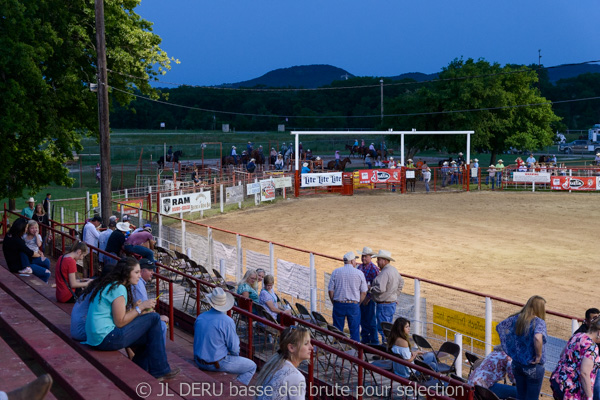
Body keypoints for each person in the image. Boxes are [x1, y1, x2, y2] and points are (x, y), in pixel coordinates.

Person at [83, 257, 180, 380]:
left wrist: (135, 309)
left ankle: (140, 369)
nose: (139, 276)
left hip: (97, 338)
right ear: (126, 272)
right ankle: (160, 370)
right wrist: (140, 308)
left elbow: (117, 317)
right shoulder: (119, 288)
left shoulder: (112, 285)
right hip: (106, 338)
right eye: (136, 272)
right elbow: (120, 322)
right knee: (155, 318)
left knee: (150, 336)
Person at [193, 287, 256, 385]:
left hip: (199, 360)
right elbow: (234, 349)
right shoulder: (227, 321)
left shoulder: (200, 317)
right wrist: (234, 357)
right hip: (216, 363)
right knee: (252, 366)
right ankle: (237, 391)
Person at [497, 295, 547, 400]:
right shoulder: (539, 322)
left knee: (521, 396)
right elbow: (538, 337)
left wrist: (511, 349)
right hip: (533, 366)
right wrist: (538, 356)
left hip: (517, 364)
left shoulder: (517, 319)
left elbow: (501, 327)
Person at [254, 325, 312, 400]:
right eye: (306, 344)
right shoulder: (296, 377)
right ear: (291, 348)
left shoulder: (274, 364)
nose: (311, 347)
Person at [551, 317, 600, 400]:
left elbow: (562, 354)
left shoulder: (577, 336)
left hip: (559, 383)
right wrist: (589, 396)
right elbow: (584, 373)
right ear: (599, 332)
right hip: (572, 391)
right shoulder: (592, 347)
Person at [328, 251, 368, 341]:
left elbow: (330, 290)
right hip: (353, 304)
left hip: (339, 303)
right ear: (352, 261)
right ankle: (355, 353)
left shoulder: (336, 272)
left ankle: (337, 351)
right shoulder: (359, 273)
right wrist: (358, 303)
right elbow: (364, 292)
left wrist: (334, 302)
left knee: (337, 331)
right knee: (354, 331)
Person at [370, 249, 404, 344]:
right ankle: (388, 347)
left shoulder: (385, 272)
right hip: (390, 303)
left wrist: (371, 289)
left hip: (383, 304)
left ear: (384, 261)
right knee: (388, 328)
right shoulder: (393, 270)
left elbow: (381, 289)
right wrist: (395, 295)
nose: (377, 261)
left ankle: (386, 349)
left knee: (383, 329)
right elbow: (401, 282)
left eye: (379, 259)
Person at [131, 258, 169, 344]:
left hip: (133, 316)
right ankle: (158, 353)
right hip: (133, 320)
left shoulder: (140, 283)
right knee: (162, 324)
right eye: (150, 270)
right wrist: (158, 317)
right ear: (141, 271)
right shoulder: (138, 284)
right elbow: (143, 310)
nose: (153, 272)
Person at [2, 218, 50, 282]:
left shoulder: (9, 235)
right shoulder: (18, 240)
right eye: (26, 227)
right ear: (21, 228)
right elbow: (30, 253)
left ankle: (38, 275)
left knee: (46, 262)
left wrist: (38, 251)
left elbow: (28, 250)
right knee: (47, 273)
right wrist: (39, 255)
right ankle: (40, 286)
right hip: (20, 266)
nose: (27, 229)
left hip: (24, 259)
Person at [356, 247, 380, 345]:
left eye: (365, 256)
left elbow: (376, 287)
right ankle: (366, 339)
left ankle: (374, 341)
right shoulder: (360, 267)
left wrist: (368, 298)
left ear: (370, 257)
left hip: (368, 299)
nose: (363, 258)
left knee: (370, 321)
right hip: (362, 297)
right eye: (363, 256)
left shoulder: (373, 269)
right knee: (363, 320)